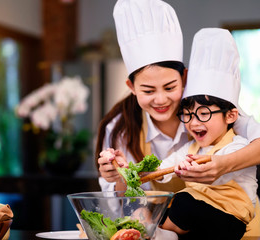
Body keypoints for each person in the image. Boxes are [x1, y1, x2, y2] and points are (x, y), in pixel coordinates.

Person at [97, 0, 260, 237]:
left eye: (170, 86)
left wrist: (222, 164)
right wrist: (120, 173)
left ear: (184, 77)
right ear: (131, 86)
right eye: (148, 90)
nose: (161, 99)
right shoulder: (121, 130)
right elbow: (121, 205)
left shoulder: (214, 107)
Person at [158, 28, 257, 240]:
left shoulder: (238, 146)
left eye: (203, 114)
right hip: (202, 220)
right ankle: (163, 229)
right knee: (165, 204)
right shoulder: (191, 148)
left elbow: (221, 176)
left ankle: (159, 231)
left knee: (184, 203)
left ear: (230, 116)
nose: (193, 123)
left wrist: (189, 169)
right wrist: (135, 170)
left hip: (231, 219)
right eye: (187, 115)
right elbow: (164, 168)